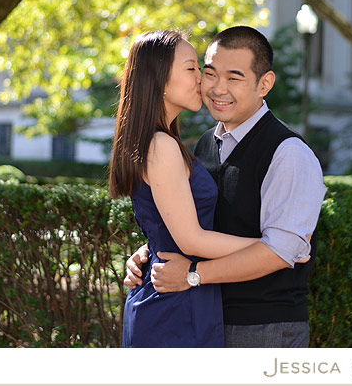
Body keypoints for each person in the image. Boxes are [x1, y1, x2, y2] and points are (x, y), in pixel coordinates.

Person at [125, 25, 326, 348]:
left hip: (262, 327)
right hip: (203, 315)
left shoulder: (288, 153)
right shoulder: (203, 144)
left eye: (234, 78)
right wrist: (152, 249)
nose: (217, 88)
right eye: (208, 73)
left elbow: (279, 252)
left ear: (265, 84)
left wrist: (193, 273)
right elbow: (193, 224)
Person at [109, 30, 263, 348]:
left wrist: (148, 248)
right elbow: (191, 238)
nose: (202, 81)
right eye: (192, 68)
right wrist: (272, 248)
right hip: (174, 305)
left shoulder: (161, 142)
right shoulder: (161, 145)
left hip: (178, 293)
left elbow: (165, 223)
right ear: (159, 78)